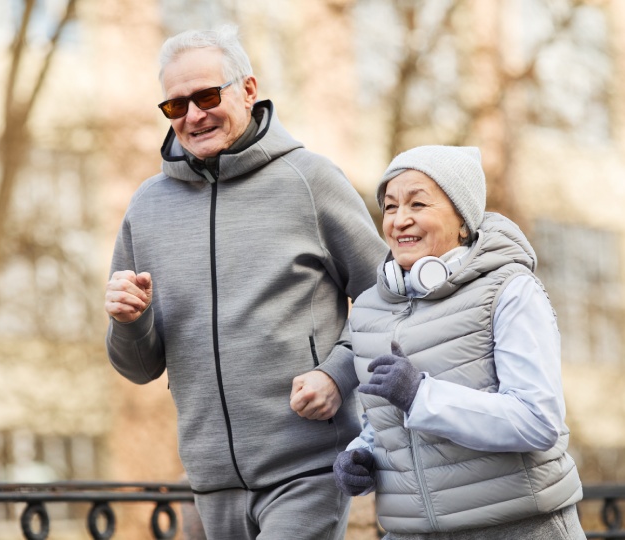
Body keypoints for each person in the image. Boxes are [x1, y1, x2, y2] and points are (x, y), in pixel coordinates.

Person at [104, 25, 388, 539]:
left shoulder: (311, 180)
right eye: (175, 106)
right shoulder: (146, 207)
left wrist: (338, 373)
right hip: (209, 480)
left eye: (207, 96)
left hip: (306, 466)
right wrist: (131, 322)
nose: (193, 116)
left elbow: (388, 299)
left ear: (248, 90)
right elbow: (138, 368)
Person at [334, 145, 586, 539]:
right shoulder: (368, 310)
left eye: (418, 203)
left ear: (464, 222)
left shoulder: (511, 290)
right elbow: (383, 422)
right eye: (390, 207)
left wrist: (421, 396)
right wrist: (362, 455)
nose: (400, 220)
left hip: (519, 528)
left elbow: (538, 420)